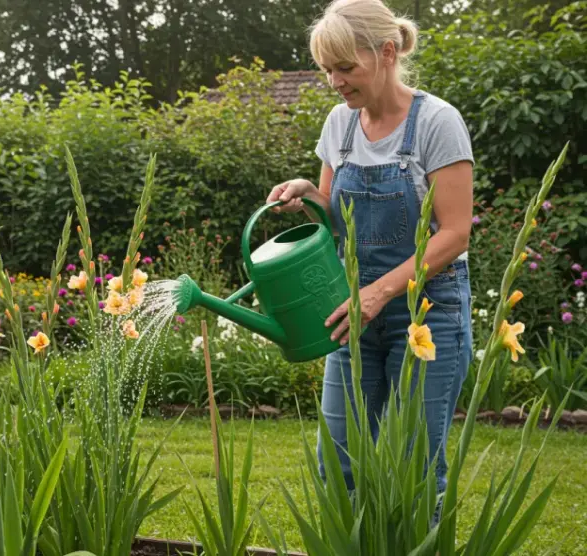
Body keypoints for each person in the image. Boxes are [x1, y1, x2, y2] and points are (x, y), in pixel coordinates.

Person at [267, 0, 474, 521]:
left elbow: (454, 233)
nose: (335, 81)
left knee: (415, 470)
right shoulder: (340, 124)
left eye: (345, 67)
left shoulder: (438, 121)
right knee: (339, 466)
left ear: (385, 53)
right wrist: (308, 194)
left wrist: (380, 292)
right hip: (354, 315)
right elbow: (337, 219)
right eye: (327, 70)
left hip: (426, 315)